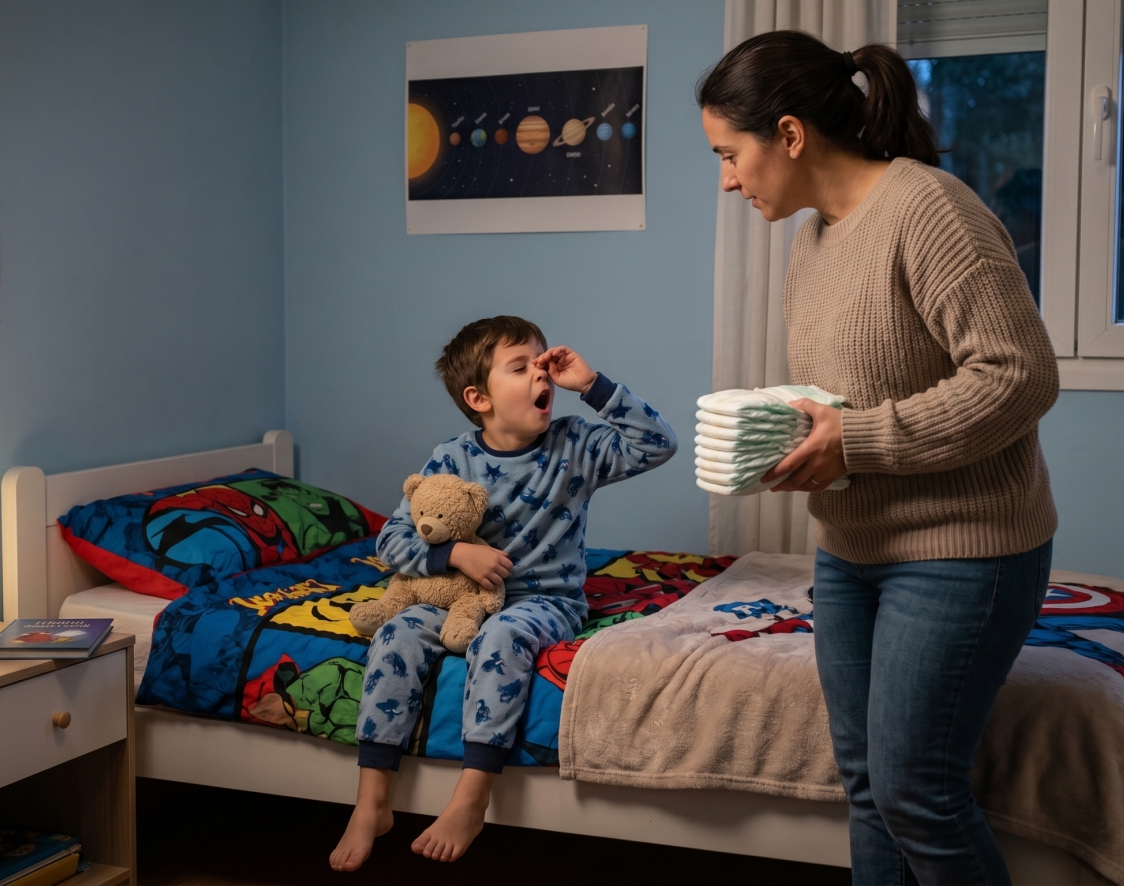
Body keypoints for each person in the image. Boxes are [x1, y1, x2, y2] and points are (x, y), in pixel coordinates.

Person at [698, 31, 1058, 885]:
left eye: (729, 154)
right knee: (867, 790)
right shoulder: (814, 238)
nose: (727, 180)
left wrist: (853, 440)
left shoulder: (931, 210)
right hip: (853, 551)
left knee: (916, 795)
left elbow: (1021, 376)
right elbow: (853, 391)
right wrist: (793, 437)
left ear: (789, 134)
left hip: (963, 549)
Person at [330, 316, 677, 871]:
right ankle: (373, 798)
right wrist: (453, 555)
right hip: (454, 595)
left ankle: (472, 794)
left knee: (502, 633)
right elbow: (393, 538)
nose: (542, 374)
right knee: (396, 632)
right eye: (521, 367)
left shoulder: (575, 444)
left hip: (545, 601)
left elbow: (658, 444)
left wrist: (591, 385)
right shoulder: (451, 458)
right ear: (479, 397)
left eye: (543, 363)